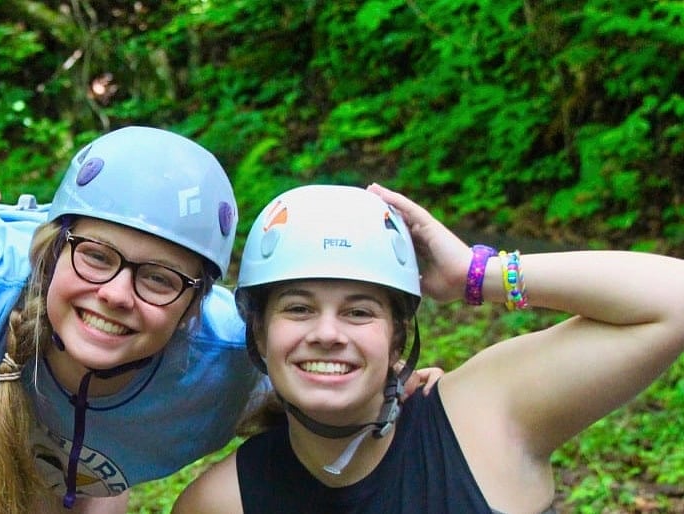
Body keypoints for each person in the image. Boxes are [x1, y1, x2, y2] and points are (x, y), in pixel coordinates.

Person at [0, 125, 263, 514]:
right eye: (96, 255)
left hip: (84, 422)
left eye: (159, 279)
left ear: (195, 306)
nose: (114, 294)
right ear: (52, 254)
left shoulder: (231, 360)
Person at [172, 184, 684, 513]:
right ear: (259, 335)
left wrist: (474, 275)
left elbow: (673, 301)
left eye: (359, 311)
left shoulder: (483, 419)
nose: (327, 332)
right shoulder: (224, 501)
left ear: (398, 339)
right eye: (299, 309)